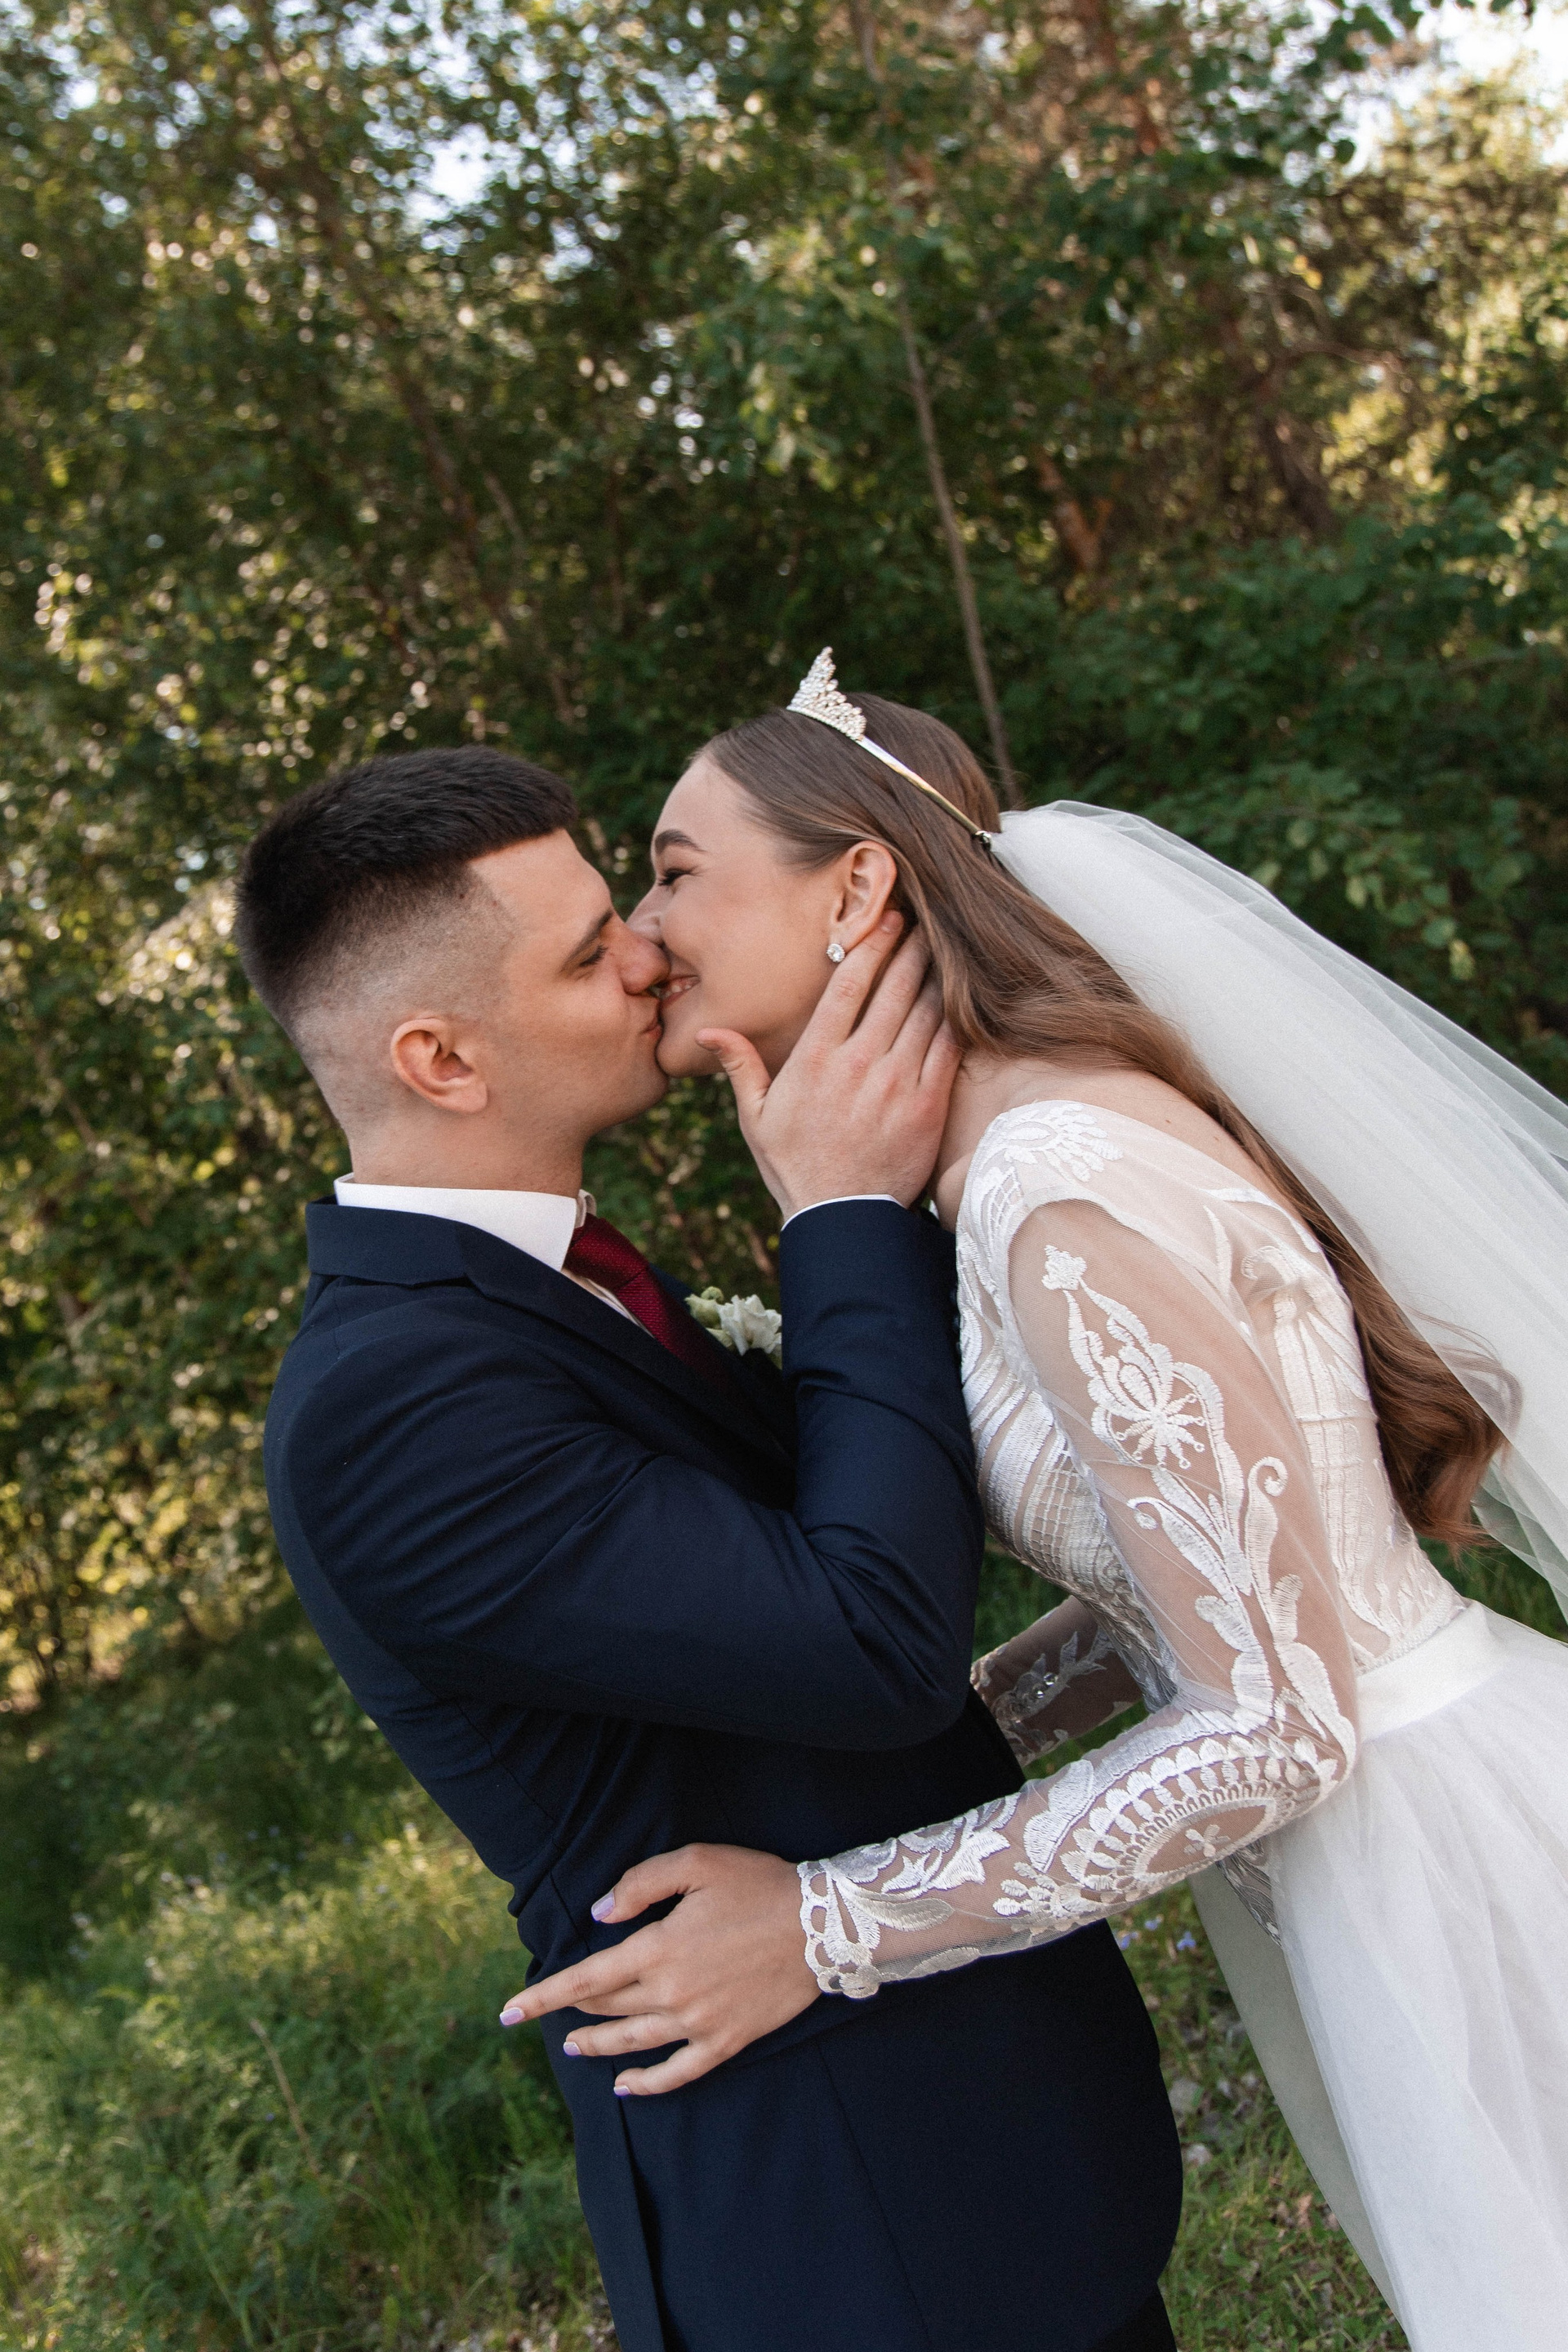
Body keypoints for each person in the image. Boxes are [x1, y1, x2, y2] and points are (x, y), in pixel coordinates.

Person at [507, 654, 1568, 2352]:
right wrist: (965, 1732)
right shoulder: (1012, 1156)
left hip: (1440, 1858)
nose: (645, 930)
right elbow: (1194, 1583)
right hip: (1378, 1846)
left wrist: (826, 1923)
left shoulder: (1053, 1187)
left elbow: (1278, 1725)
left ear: (856, 888)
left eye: (676, 870)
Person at [238, 744, 1183, 2352]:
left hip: (976, 2153)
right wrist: (841, 1220)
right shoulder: (390, 1410)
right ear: (441, 1059)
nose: (649, 954)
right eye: (586, 951)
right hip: (854, 2236)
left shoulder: (549, 1286)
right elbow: (871, 1639)